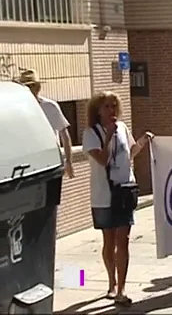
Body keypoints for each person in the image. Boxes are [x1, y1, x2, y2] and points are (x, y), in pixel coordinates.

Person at [82, 91, 153, 306]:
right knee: (109, 241)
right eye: (107, 107)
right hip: (104, 195)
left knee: (124, 240)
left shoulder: (122, 128)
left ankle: (121, 289)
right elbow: (103, 159)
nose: (112, 111)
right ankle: (111, 282)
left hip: (125, 192)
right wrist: (109, 136)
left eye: (114, 106)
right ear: (97, 110)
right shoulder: (91, 133)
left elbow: (129, 153)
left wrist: (142, 142)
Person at [18, 69, 74, 179]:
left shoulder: (50, 106)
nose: (30, 89)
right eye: (26, 86)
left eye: (32, 85)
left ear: (37, 87)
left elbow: (65, 135)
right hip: (28, 164)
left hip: (51, 161)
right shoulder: (18, 109)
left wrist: (69, 161)